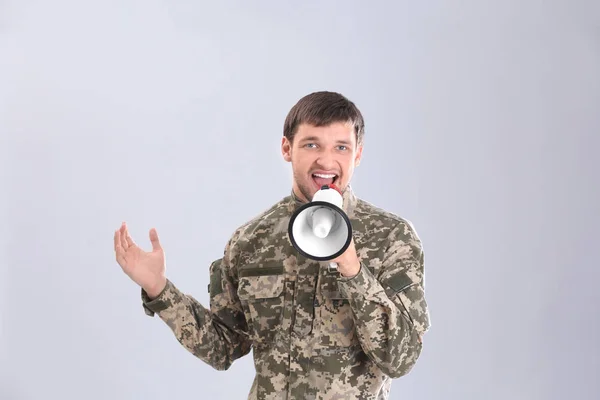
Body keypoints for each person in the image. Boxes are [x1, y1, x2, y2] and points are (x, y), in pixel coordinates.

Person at [113, 91, 431, 399]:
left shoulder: (392, 237)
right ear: (286, 148)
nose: (327, 160)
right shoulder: (251, 240)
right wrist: (159, 289)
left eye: (342, 148)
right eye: (311, 144)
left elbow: (400, 359)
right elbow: (223, 347)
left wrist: (352, 268)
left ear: (357, 154)